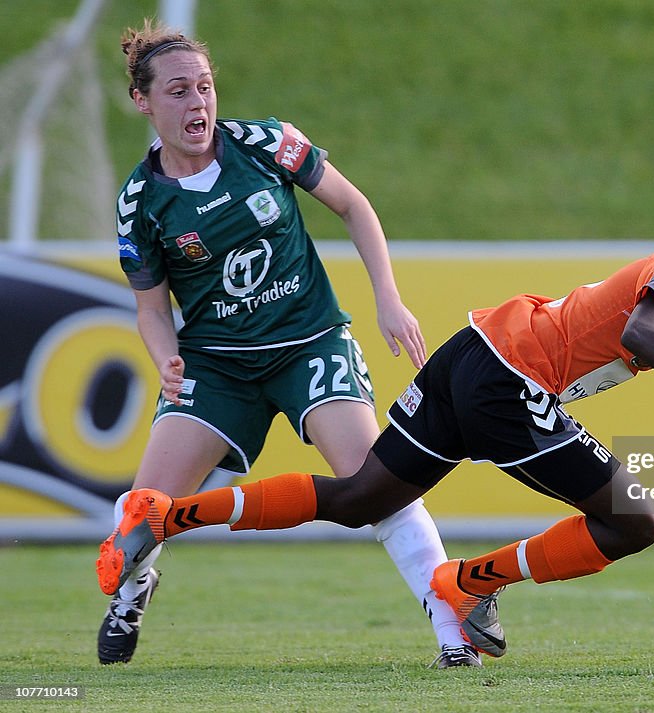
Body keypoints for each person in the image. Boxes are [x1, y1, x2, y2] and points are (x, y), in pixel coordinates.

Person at [98, 175, 654, 660]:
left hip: (472, 351)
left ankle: (165, 516)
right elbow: (639, 334)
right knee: (636, 519)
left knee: (359, 500)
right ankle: (467, 584)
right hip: (510, 380)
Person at [98, 21, 483, 669]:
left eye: (205, 87)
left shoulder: (267, 144)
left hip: (309, 341)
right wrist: (165, 356)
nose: (198, 104)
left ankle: (453, 626)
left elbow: (354, 207)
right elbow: (151, 307)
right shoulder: (140, 203)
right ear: (143, 101)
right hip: (217, 363)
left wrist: (388, 297)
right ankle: (133, 591)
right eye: (178, 92)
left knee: (376, 482)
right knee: (140, 513)